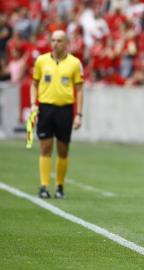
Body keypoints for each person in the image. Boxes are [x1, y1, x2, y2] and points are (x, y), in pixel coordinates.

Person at [30, 30, 84, 199]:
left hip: (65, 109)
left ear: (66, 42)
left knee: (63, 149)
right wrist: (33, 104)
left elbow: (80, 90)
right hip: (46, 108)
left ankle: (59, 186)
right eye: (53, 40)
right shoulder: (41, 61)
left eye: (59, 40)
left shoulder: (75, 63)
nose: (55, 43)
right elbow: (34, 83)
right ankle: (44, 186)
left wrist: (79, 114)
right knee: (45, 147)